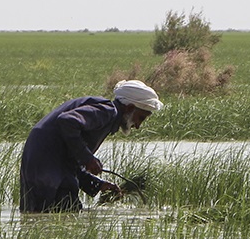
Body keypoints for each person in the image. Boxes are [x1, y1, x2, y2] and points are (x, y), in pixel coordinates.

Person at [19, 79, 164, 213]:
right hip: (47, 163)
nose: (138, 126)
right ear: (129, 108)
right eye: (141, 118)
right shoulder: (107, 112)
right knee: (63, 212)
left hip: (41, 160)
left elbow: (72, 159)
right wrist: (88, 158)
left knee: (39, 213)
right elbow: (67, 120)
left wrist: (97, 185)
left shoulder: (105, 115)